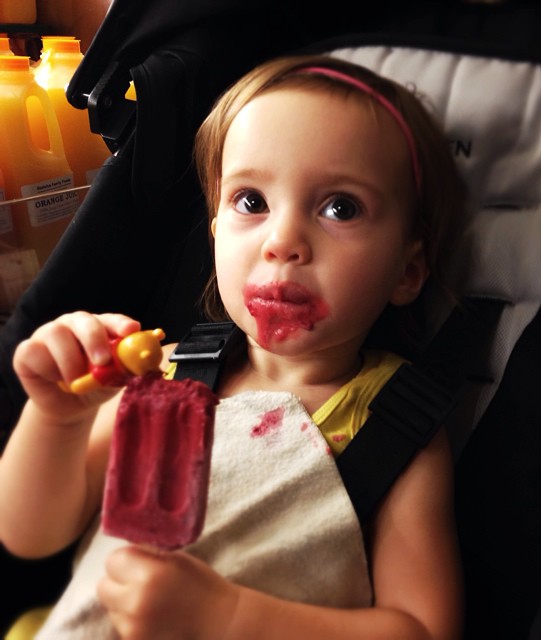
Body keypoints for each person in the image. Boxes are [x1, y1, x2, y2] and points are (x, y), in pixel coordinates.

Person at [0, 54, 467, 639]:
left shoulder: (392, 424)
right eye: (251, 202)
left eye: (340, 208)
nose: (283, 241)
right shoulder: (162, 373)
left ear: (408, 270)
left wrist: (230, 617)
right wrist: (56, 420)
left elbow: (423, 628)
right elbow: (29, 533)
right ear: (215, 230)